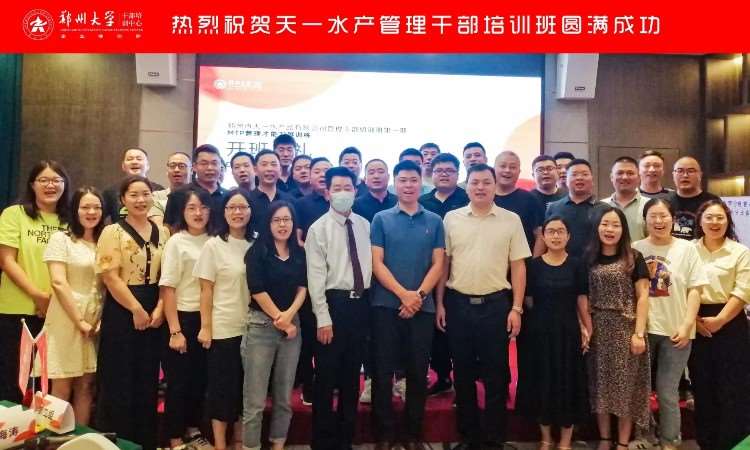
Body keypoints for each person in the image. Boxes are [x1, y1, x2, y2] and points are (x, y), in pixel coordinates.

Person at [437, 164, 530, 450]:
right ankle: (469, 437)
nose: (480, 187)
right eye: (475, 182)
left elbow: (518, 266)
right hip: (458, 304)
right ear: (466, 186)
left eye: (486, 182)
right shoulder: (451, 219)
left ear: (494, 186)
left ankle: (493, 439)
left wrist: (516, 308)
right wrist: (439, 303)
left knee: (496, 373)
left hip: (496, 305)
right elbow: (444, 264)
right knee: (463, 372)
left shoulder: (511, 220)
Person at [370, 161, 445, 450]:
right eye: (403, 180)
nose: (408, 185)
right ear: (395, 183)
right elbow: (377, 263)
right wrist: (404, 295)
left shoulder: (434, 221)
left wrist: (418, 296)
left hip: (422, 308)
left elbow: (438, 263)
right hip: (385, 306)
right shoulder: (381, 219)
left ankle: (413, 433)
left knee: (417, 371)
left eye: (413, 180)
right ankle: (385, 434)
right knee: (383, 371)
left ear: (421, 183)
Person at [95, 175, 169, 450]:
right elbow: (110, 276)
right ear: (123, 199)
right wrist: (136, 308)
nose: (141, 200)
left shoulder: (163, 232)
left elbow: (168, 276)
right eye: (134, 195)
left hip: (155, 306)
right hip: (122, 308)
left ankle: (144, 441)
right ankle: (117, 442)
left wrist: (160, 308)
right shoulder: (112, 231)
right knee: (119, 378)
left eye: (145, 194)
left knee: (147, 378)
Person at [305, 167, 372, 450]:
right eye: (337, 188)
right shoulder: (318, 229)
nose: (343, 193)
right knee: (326, 376)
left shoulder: (365, 225)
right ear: (327, 192)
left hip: (361, 306)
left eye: (348, 187)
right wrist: (323, 318)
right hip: (333, 306)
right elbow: (315, 278)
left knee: (351, 377)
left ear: (355, 191)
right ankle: (322, 441)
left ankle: (345, 439)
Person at [632, 198, 707, 450]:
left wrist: (687, 326)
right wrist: (636, 331)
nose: (658, 221)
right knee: (640, 389)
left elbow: (695, 290)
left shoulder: (688, 249)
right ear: (645, 220)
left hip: (677, 331)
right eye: (652, 216)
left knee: (667, 391)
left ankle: (670, 440)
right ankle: (644, 436)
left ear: (673, 219)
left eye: (663, 215)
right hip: (643, 330)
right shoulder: (635, 249)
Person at [516, 216, 590, 450]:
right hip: (539, 334)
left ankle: (566, 441)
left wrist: (588, 328)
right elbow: (528, 300)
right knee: (543, 383)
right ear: (543, 236)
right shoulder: (533, 266)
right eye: (551, 231)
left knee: (568, 383)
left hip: (568, 333)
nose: (556, 236)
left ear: (569, 236)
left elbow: (581, 299)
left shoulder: (577, 265)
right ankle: (546, 438)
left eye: (560, 231)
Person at [0, 160, 69, 404]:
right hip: (16, 309)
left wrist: (53, 301)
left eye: (56, 180)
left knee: (47, 382)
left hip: (59, 311)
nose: (51, 185)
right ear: (32, 184)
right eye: (44, 180)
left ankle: (41, 427)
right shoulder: (14, 214)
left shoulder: (70, 220)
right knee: (13, 378)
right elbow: (7, 260)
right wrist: (38, 296)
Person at [242, 201, 307, 450]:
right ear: (268, 224)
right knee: (255, 400)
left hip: (292, 327)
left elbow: (303, 288)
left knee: (284, 397)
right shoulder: (257, 252)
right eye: (276, 220)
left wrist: (288, 316)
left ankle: (278, 445)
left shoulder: (299, 253)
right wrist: (281, 319)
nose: (282, 225)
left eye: (287, 220)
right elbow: (257, 290)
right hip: (261, 327)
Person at [194, 188, 255, 450]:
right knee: (222, 390)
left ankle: (240, 441)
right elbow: (205, 290)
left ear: (251, 211)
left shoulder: (257, 243)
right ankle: (220, 444)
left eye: (243, 207)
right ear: (224, 211)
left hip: (254, 328)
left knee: (245, 390)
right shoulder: (214, 245)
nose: (237, 212)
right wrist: (206, 327)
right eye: (232, 207)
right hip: (223, 328)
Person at [586, 206, 651, 450]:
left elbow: (643, 297)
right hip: (597, 331)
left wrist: (639, 333)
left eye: (616, 225)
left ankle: (623, 442)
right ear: (597, 227)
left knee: (626, 389)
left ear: (623, 229)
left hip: (626, 329)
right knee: (600, 387)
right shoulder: (588, 258)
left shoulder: (634, 257)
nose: (610, 229)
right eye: (605, 224)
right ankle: (605, 439)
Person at [42, 187, 104, 425]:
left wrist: (99, 320)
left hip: (95, 319)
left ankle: (81, 438)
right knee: (61, 385)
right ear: (74, 210)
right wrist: (79, 321)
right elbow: (58, 282)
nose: (91, 212)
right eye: (85, 207)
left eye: (97, 207)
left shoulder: (104, 242)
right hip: (66, 317)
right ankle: (51, 438)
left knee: (86, 385)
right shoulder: (62, 238)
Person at [692, 199, 750, 450]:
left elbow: (743, 290)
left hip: (731, 321)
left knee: (733, 385)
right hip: (695, 320)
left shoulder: (740, 251)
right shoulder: (688, 250)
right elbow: (680, 286)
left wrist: (721, 320)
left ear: (728, 222)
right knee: (702, 384)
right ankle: (707, 442)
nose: (714, 222)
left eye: (720, 218)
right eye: (709, 217)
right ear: (700, 221)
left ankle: (733, 443)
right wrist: (693, 320)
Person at [159, 187, 213, 450]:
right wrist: (175, 330)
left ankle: (193, 429)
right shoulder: (176, 242)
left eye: (203, 207)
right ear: (182, 212)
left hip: (209, 319)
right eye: (192, 208)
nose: (198, 213)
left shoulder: (214, 240)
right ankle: (175, 438)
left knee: (199, 381)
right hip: (182, 318)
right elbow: (168, 288)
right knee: (178, 383)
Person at [418, 152, 469, 397]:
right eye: (439, 170)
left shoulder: (467, 199)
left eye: (450, 170)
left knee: (459, 332)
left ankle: (464, 381)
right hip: (427, 274)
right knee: (434, 332)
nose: (444, 174)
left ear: (458, 174)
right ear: (432, 173)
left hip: (460, 274)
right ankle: (443, 376)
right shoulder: (422, 201)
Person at [352, 158, 397, 404]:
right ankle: (370, 379)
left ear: (388, 176)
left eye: (381, 171)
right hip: (367, 278)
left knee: (398, 330)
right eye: (372, 172)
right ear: (365, 177)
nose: (377, 175)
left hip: (396, 275)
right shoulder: (356, 205)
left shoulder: (398, 201)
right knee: (370, 332)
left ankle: (401, 378)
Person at [546, 159, 608, 256]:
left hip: (594, 263)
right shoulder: (554, 208)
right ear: (566, 180)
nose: (579, 178)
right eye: (574, 174)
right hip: (562, 263)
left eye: (585, 174)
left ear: (592, 180)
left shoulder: (605, 209)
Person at [164, 144, 227, 229]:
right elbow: (168, 227)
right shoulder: (178, 194)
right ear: (194, 167)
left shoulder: (228, 196)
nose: (210, 167)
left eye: (214, 163)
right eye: (204, 163)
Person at [493, 151, 544, 255]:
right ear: (494, 169)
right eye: (503, 166)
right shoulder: (485, 198)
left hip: (523, 261)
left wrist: (535, 262)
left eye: (512, 167)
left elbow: (540, 235)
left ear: (519, 171)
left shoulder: (530, 199)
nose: (507, 170)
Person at [101, 147, 164, 224]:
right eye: (130, 159)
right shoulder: (110, 192)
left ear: (147, 166)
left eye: (139, 159)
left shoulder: (159, 190)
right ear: (123, 166)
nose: (134, 162)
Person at [668, 156, 719, 240]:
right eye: (680, 171)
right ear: (673, 175)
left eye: (691, 171)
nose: (685, 175)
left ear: (700, 175)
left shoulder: (712, 202)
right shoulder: (665, 201)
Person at [604, 156, 648, 242]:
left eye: (630, 173)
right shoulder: (601, 206)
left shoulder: (650, 206)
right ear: (612, 177)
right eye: (619, 173)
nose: (624, 177)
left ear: (639, 177)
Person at [250, 150, 294, 233]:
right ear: (255, 170)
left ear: (280, 170)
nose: (269, 168)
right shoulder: (247, 200)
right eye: (264, 164)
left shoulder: (290, 200)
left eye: (273, 164)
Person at [150, 151, 192, 226]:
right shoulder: (156, 196)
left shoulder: (198, 196)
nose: (176, 170)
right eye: (172, 166)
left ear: (191, 170)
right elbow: (158, 228)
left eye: (182, 166)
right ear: (167, 170)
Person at [295, 157, 332, 241]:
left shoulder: (342, 201)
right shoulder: (301, 204)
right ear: (310, 178)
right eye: (317, 172)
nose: (322, 175)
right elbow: (298, 239)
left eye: (326, 171)